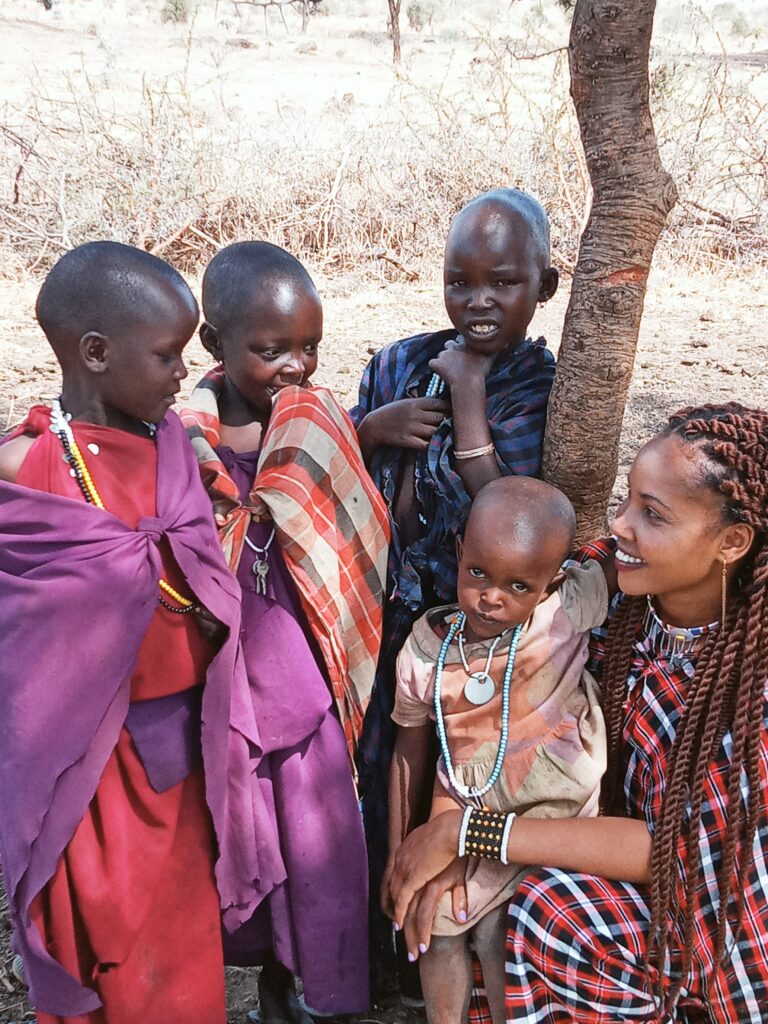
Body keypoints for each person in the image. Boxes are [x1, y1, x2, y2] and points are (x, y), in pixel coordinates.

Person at [387, 403, 768, 1023]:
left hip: (707, 922)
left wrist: (469, 832)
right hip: (611, 872)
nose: (620, 525)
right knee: (475, 905)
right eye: (627, 500)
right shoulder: (614, 599)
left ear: (731, 542)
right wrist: (439, 831)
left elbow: (666, 849)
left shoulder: (749, 687)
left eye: (652, 514)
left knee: (543, 909)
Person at [0, 242, 284, 1024]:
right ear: (95, 354)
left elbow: (203, 559)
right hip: (82, 764)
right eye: (166, 355)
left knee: (175, 943)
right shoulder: (27, 473)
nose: (181, 372)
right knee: (97, 926)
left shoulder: (171, 448)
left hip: (174, 749)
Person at [349, 186, 559, 981]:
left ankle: (453, 954)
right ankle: (384, 948)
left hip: (484, 640)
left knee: (464, 787)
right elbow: (338, 471)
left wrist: (469, 405)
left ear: (544, 283)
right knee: (380, 780)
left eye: (503, 282)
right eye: (458, 279)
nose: (478, 301)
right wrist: (371, 431)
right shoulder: (401, 361)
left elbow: (513, 517)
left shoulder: (544, 391)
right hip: (387, 624)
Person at [179, 241, 390, 1022]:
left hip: (307, 691)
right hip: (225, 696)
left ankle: (314, 991)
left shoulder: (319, 421)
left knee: (320, 853)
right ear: (214, 344)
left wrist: (370, 429)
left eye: (310, 347)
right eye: (272, 351)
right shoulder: (183, 441)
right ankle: (266, 972)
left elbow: (354, 535)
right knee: (246, 841)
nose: (296, 366)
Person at [384, 476, 608, 1024]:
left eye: (519, 586)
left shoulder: (563, 614)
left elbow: (625, 558)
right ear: (460, 551)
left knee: (496, 931)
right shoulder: (426, 653)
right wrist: (398, 852)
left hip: (556, 810)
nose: (492, 596)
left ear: (551, 582)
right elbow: (407, 752)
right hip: (472, 807)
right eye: (478, 572)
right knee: (436, 918)